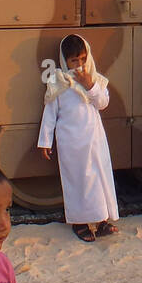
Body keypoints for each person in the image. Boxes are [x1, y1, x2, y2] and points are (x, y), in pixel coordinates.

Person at [38, 34, 119, 243]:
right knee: (78, 181)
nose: (80, 65)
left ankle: (101, 220)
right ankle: (80, 223)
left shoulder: (95, 79)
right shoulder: (58, 82)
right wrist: (45, 142)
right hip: (71, 143)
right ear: (65, 61)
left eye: (83, 59)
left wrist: (90, 84)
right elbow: (49, 114)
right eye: (74, 61)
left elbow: (102, 103)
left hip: (94, 139)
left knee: (99, 180)